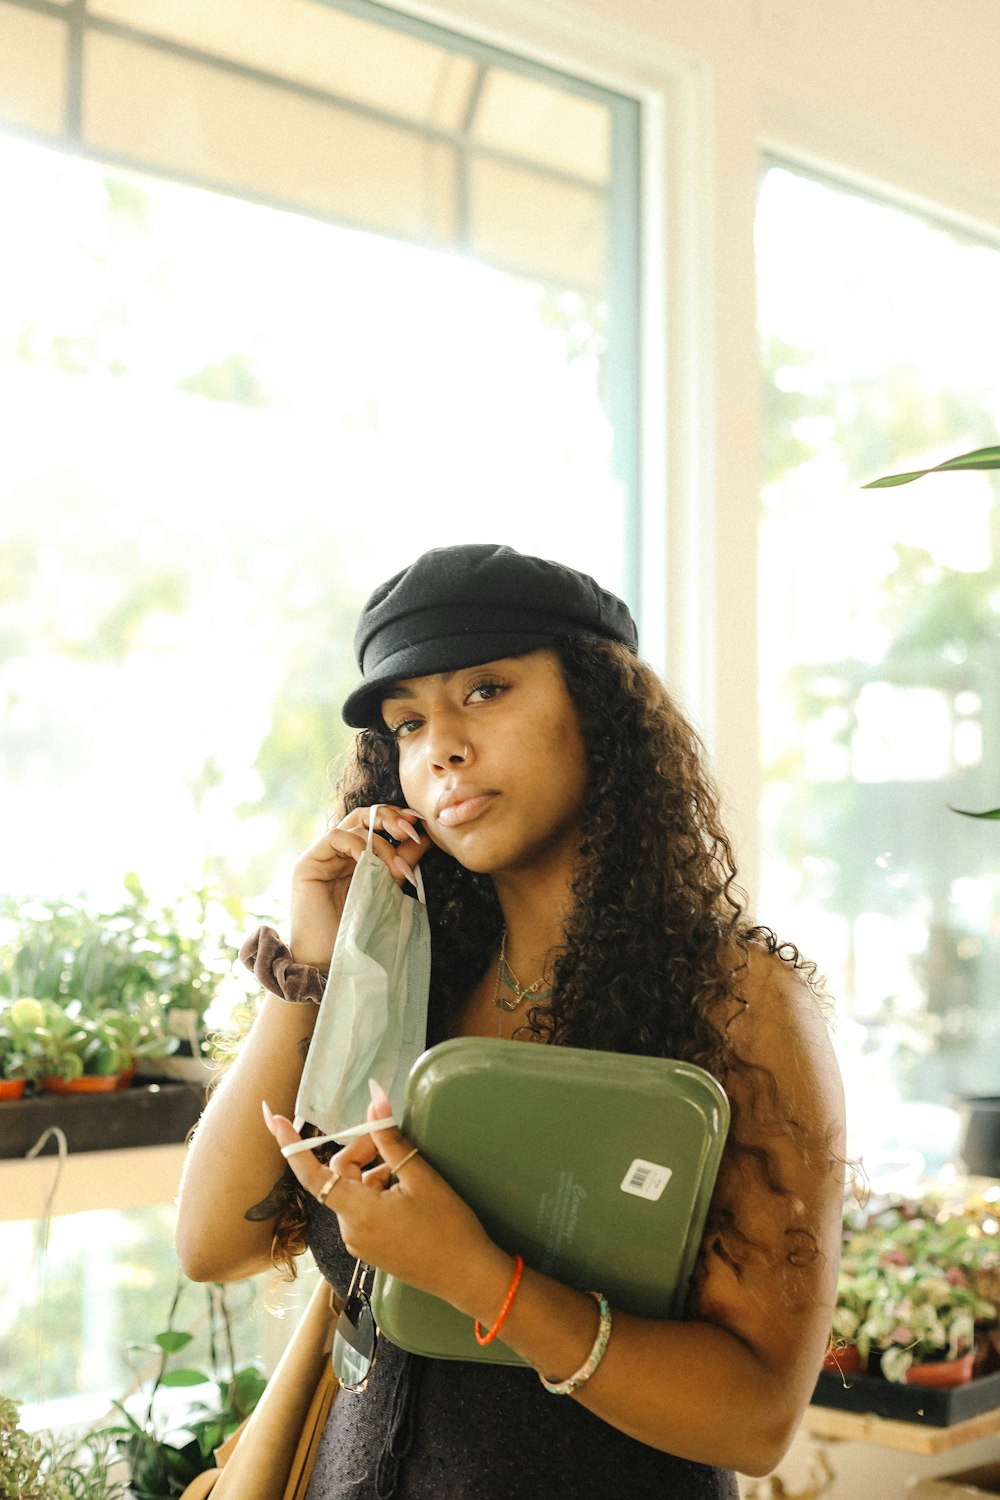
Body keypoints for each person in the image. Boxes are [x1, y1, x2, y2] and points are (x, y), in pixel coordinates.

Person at [176, 543, 846, 1500]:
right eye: (407, 724)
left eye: (486, 691)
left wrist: (480, 1278)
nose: (440, 745)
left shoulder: (734, 999)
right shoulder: (407, 971)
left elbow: (756, 1418)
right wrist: (316, 970)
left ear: (601, 711)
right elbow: (213, 1245)